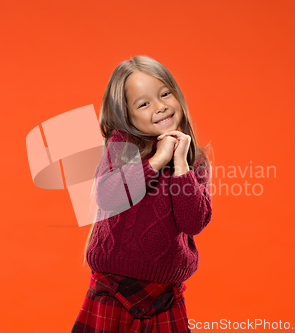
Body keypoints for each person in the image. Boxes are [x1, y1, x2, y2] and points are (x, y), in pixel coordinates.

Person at [72, 55, 213, 333]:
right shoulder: (121, 145)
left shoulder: (194, 161)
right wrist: (157, 161)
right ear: (127, 115)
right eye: (144, 103)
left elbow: (193, 222)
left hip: (165, 295)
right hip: (113, 288)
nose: (160, 107)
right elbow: (109, 197)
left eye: (165, 94)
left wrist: (181, 164)